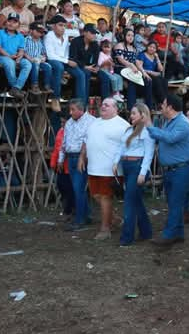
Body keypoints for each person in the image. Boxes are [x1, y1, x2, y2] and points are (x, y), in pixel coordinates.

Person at [147, 95, 189, 247]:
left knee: (175, 202)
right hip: (171, 170)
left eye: (164, 104)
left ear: (171, 107)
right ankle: (178, 233)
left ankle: (168, 235)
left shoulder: (183, 123)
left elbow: (170, 138)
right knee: (174, 202)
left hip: (181, 170)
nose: (161, 107)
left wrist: (150, 126)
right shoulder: (169, 122)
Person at [86, 98, 130, 240]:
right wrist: (82, 157)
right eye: (102, 104)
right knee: (96, 195)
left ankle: (105, 229)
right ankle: (115, 218)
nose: (103, 106)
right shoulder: (95, 122)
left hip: (110, 169)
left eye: (107, 105)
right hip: (93, 167)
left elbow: (130, 147)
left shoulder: (123, 125)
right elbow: (86, 141)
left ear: (115, 109)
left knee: (105, 197)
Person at [112, 103, 155, 246]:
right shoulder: (129, 130)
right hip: (127, 165)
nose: (131, 116)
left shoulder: (147, 131)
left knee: (129, 202)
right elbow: (121, 147)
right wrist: (115, 162)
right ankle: (146, 231)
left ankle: (127, 237)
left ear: (142, 115)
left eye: (134, 113)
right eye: (131, 113)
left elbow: (149, 153)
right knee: (135, 201)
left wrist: (143, 173)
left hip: (138, 166)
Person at [57, 99, 94, 231]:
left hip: (81, 157)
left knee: (78, 188)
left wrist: (83, 158)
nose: (70, 112)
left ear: (80, 109)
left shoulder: (91, 122)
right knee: (77, 188)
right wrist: (61, 159)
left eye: (73, 109)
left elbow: (88, 141)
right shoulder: (69, 123)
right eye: (70, 109)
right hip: (71, 157)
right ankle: (87, 215)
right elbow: (64, 142)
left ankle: (79, 220)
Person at [44, 15, 87, 112]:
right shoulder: (49, 36)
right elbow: (50, 55)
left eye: (64, 25)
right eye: (60, 25)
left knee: (80, 74)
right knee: (59, 67)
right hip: (52, 61)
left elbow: (66, 51)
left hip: (64, 60)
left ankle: (81, 103)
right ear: (53, 26)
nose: (63, 28)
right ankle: (55, 98)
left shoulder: (65, 35)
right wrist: (67, 61)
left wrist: (68, 61)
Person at [0, 13, 31, 99]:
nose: (11, 23)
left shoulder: (20, 36)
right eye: (9, 21)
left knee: (27, 64)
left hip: (14, 57)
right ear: (6, 22)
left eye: (14, 22)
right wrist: (9, 56)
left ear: (18, 25)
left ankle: (16, 88)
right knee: (10, 63)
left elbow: (21, 49)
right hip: (1, 57)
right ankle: (16, 88)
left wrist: (19, 57)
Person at [69, 25, 107, 100]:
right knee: (86, 73)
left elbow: (96, 59)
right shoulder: (76, 41)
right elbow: (73, 58)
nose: (94, 35)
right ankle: (83, 104)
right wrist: (85, 66)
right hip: (78, 66)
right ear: (85, 33)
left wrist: (96, 67)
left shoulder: (95, 44)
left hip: (91, 67)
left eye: (95, 33)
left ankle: (106, 103)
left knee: (105, 77)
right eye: (92, 33)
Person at [113, 29, 144, 106]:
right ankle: (131, 106)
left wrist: (143, 72)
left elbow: (136, 61)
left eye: (132, 36)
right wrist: (131, 65)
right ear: (124, 36)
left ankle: (135, 104)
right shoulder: (120, 45)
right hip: (119, 68)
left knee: (143, 80)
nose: (131, 37)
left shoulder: (134, 48)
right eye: (128, 35)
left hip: (130, 69)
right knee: (132, 81)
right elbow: (121, 60)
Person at [23, 22, 51, 95]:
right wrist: (30, 59)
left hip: (38, 60)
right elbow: (23, 51)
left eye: (41, 32)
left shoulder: (41, 41)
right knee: (35, 64)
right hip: (28, 60)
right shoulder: (26, 39)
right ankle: (34, 85)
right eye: (38, 31)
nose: (40, 34)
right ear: (31, 30)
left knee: (48, 67)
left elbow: (44, 53)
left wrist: (44, 58)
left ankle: (46, 85)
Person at [140, 41, 168, 106]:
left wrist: (157, 58)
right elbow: (140, 67)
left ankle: (164, 100)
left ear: (156, 50)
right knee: (157, 80)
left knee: (164, 80)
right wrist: (152, 72)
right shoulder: (142, 55)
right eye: (150, 47)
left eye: (154, 48)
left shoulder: (155, 57)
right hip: (144, 74)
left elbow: (161, 69)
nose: (152, 49)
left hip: (153, 75)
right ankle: (163, 101)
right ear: (147, 47)